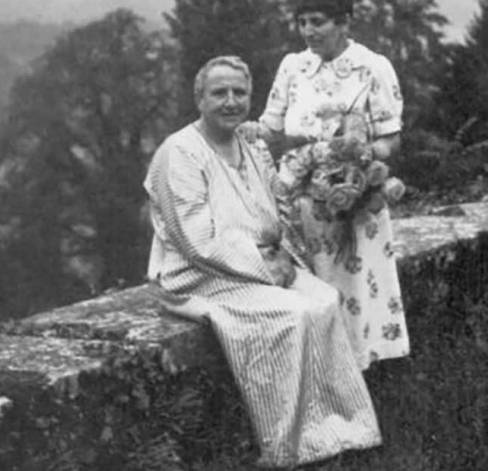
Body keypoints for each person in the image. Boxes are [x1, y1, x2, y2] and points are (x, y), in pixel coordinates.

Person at [144, 55, 381, 468]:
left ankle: (336, 433)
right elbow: (194, 239)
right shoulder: (179, 153)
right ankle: (285, 447)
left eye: (240, 93)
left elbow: (277, 211)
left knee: (324, 300)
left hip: (263, 263)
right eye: (219, 93)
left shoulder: (250, 146)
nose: (231, 101)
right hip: (199, 274)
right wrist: (262, 264)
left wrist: (283, 257)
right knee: (289, 314)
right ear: (199, 98)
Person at [258, 0, 410, 370]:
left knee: (354, 298)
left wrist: (354, 156)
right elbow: (270, 129)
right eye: (302, 22)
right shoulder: (293, 67)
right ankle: (318, 382)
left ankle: (360, 379)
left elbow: (390, 140)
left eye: (318, 22)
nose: (309, 31)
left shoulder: (372, 67)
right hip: (299, 202)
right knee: (308, 294)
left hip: (352, 204)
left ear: (343, 22)